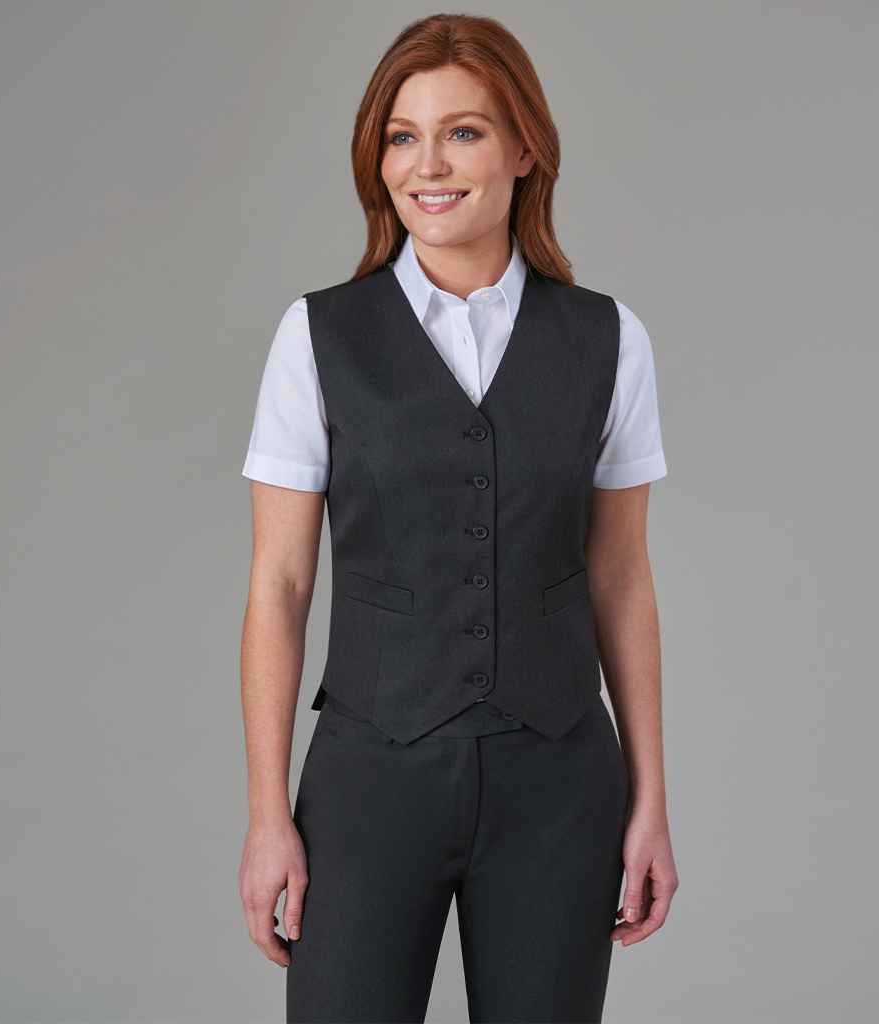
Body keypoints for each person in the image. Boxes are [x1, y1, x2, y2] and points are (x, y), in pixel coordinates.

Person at [238, 12, 679, 1023]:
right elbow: (281, 584)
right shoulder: (317, 336)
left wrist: (649, 800)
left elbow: (621, 576)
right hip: (369, 779)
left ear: (525, 150)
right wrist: (268, 817)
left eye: (463, 132)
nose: (427, 165)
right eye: (402, 137)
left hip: (557, 780)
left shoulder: (610, 339)